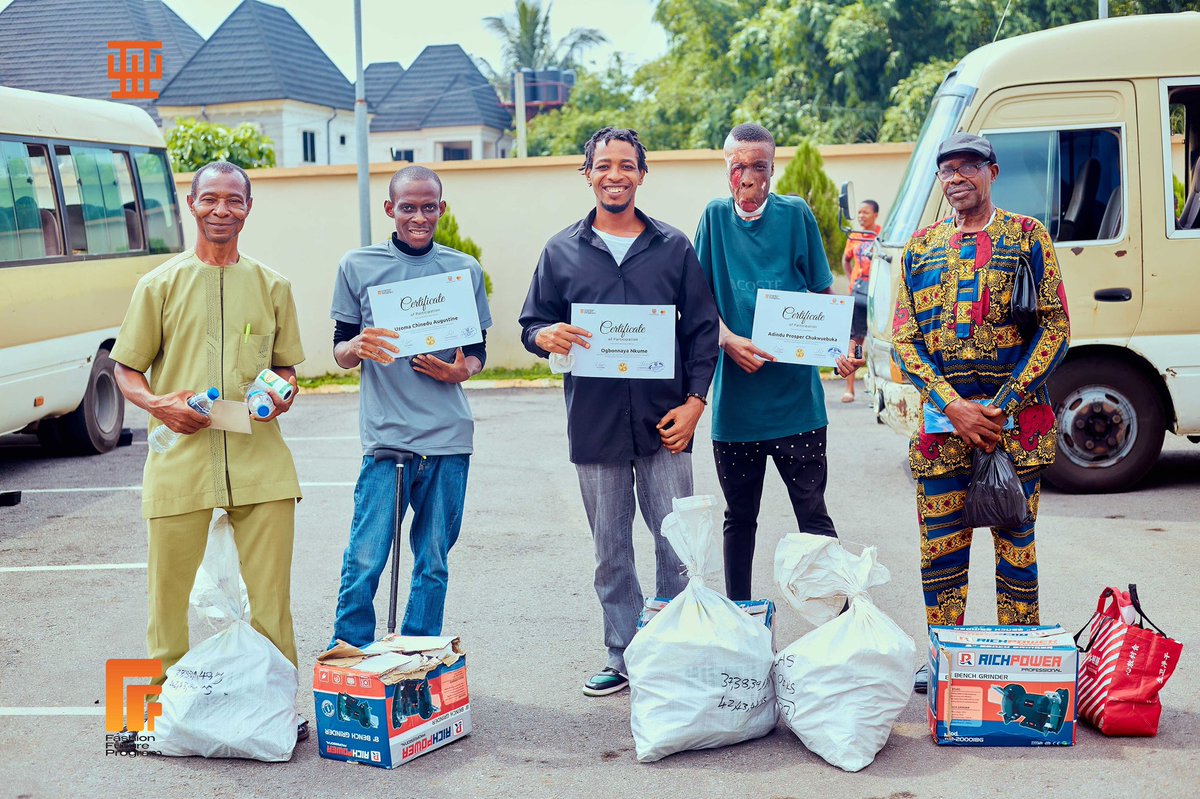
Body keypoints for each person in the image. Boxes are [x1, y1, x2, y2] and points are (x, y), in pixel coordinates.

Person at [519, 127, 719, 697]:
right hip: (595, 423)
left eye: (626, 165)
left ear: (641, 174)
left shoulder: (674, 247)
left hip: (665, 424)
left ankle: (673, 652)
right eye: (603, 165)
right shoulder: (560, 251)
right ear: (587, 174)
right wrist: (545, 335)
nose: (615, 175)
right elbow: (532, 322)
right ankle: (624, 655)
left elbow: (703, 331)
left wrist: (695, 404)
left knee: (674, 544)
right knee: (611, 550)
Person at [111, 160, 306, 739]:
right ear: (192, 205)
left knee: (272, 604)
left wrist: (286, 389)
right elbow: (125, 369)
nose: (222, 210)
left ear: (249, 208)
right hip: (179, 460)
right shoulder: (159, 285)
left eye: (234, 201)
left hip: (262, 463)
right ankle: (144, 724)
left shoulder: (273, 286)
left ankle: (275, 717)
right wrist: (157, 405)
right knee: (164, 601)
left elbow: (286, 368)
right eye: (210, 199)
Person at [892, 133, 1069, 691]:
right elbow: (904, 337)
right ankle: (945, 658)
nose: (956, 178)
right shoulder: (920, 247)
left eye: (968, 166)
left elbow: (1056, 327)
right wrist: (953, 405)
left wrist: (1001, 404)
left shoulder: (1027, 236)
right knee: (940, 550)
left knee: (1016, 546)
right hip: (943, 431)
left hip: (1016, 427)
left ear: (992, 172)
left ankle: (1019, 661)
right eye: (946, 170)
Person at [328, 166, 492, 648]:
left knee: (433, 562)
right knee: (365, 558)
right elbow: (338, 353)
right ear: (389, 209)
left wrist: (462, 372)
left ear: (441, 208)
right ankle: (351, 658)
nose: (418, 216)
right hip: (387, 438)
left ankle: (417, 656)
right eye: (407, 207)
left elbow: (478, 352)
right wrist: (357, 345)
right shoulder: (358, 266)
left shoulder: (464, 269)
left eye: (428, 207)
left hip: (448, 437)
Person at [694, 123, 857, 603]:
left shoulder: (795, 214)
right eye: (737, 167)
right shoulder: (713, 219)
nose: (748, 178)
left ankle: (841, 622)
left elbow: (823, 293)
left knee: (813, 513)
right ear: (726, 168)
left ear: (772, 168)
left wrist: (838, 349)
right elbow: (700, 303)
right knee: (739, 518)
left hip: (797, 406)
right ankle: (740, 618)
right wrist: (727, 340)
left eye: (759, 167)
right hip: (736, 410)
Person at [841, 199, 881, 402]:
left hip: (878, 296)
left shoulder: (882, 235)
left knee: (878, 340)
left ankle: (877, 390)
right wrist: (853, 280)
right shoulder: (855, 236)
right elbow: (845, 260)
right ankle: (849, 389)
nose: (862, 216)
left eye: (865, 212)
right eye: (859, 213)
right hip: (857, 294)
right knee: (854, 340)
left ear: (875, 215)